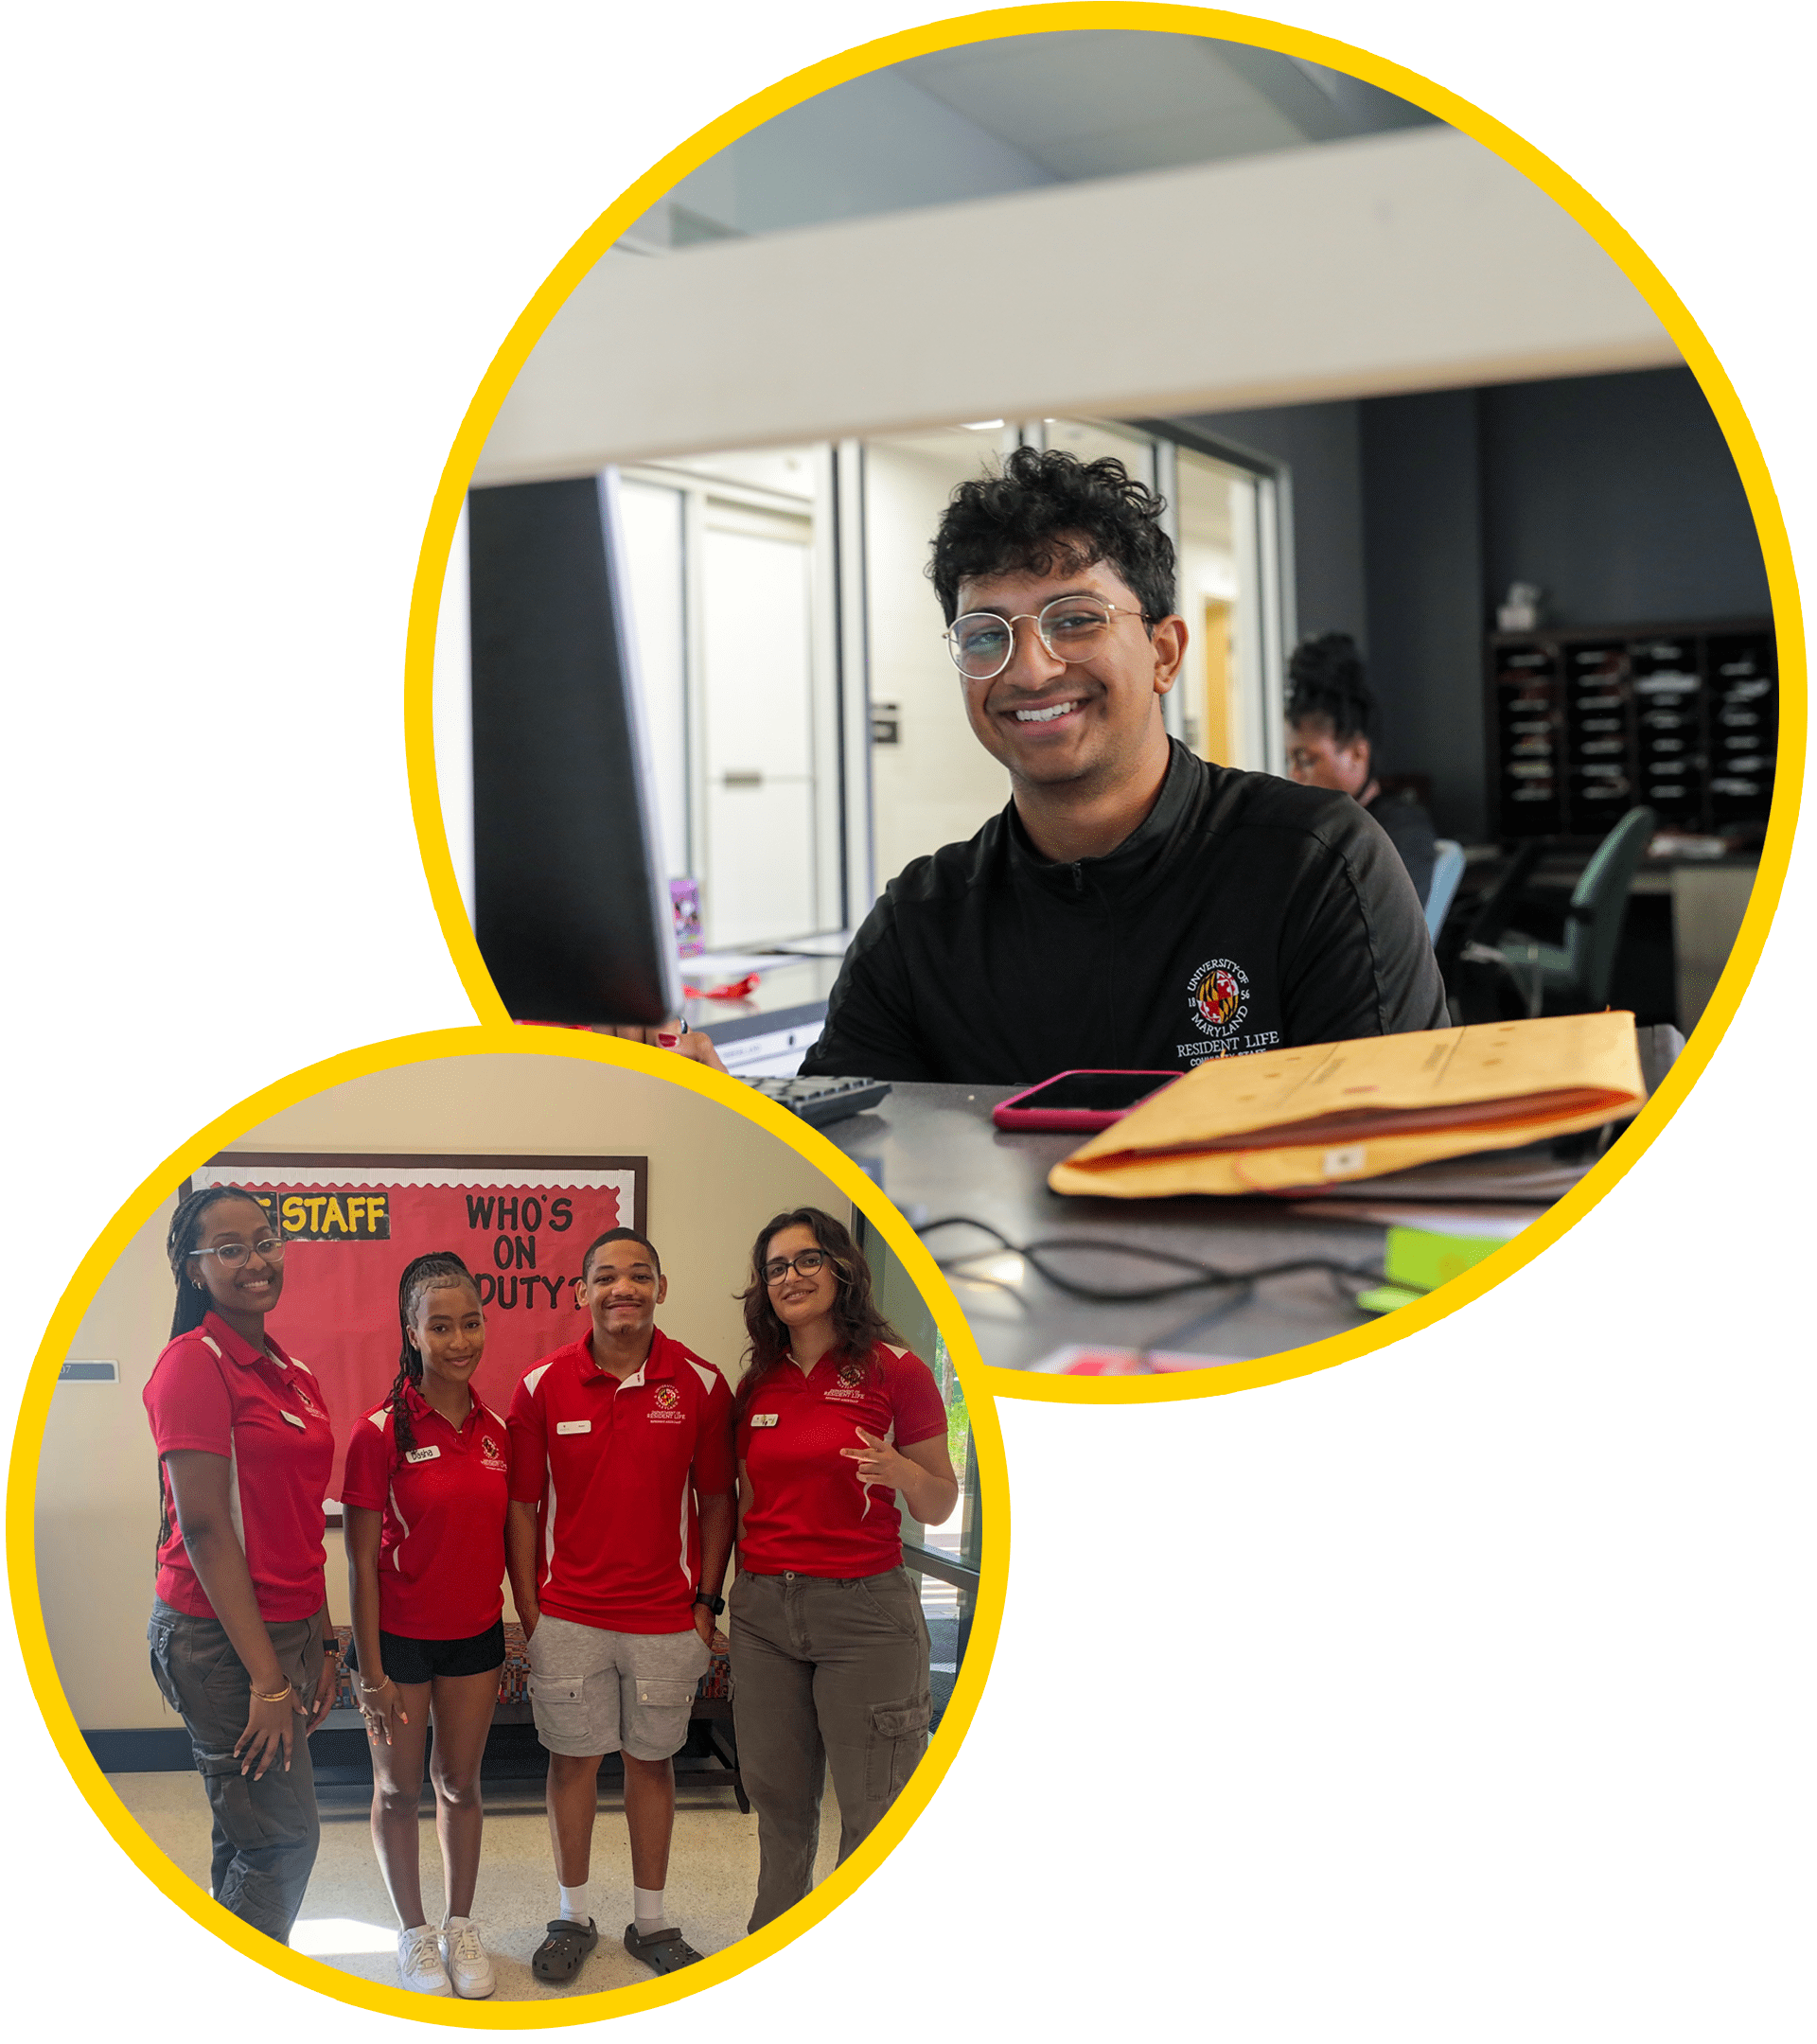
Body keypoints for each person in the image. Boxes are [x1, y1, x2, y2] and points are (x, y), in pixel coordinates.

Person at [789, 447, 1445, 1083]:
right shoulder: (920, 928)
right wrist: (727, 1116)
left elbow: (1390, 1166)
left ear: (1164, 653)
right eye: (986, 633)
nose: (1032, 668)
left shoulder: (1316, 865)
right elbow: (835, 1170)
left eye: (1075, 620)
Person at [505, 1227, 735, 1984]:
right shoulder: (541, 1385)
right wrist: (531, 1608)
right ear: (582, 1292)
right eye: (606, 1277)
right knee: (571, 1762)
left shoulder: (699, 1384)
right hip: (568, 1615)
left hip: (668, 1619)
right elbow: (523, 1506)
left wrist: (706, 1600)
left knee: (652, 1763)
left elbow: (715, 1501)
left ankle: (651, 1920)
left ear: (661, 1289)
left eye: (639, 1275)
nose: (622, 1289)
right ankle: (572, 1916)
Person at [729, 1207, 957, 1932]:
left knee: (874, 1809)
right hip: (765, 1613)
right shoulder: (759, 1381)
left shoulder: (899, 1370)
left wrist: (895, 1469)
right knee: (779, 1806)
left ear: (841, 1268)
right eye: (775, 1268)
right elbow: (743, 1499)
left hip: (864, 1615)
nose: (790, 1278)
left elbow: (943, 1500)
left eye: (806, 1260)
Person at [142, 1185, 339, 1944]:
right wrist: (267, 1679)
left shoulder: (286, 1369)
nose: (256, 1260)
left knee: (250, 1828)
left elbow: (298, 1518)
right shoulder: (194, 1364)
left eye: (265, 1240)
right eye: (229, 1249)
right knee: (284, 1840)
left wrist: (322, 1643)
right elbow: (205, 1529)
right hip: (222, 1641)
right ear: (192, 1270)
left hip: (282, 1632)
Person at [342, 1252, 509, 1998]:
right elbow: (359, 1565)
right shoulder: (378, 1433)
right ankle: (413, 1933)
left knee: (461, 1784)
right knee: (398, 1791)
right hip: (400, 1642)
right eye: (440, 1326)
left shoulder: (499, 1430)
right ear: (412, 1332)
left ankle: (459, 1924)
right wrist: (368, 1676)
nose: (459, 1339)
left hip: (476, 1636)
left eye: (470, 1322)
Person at [1284, 630, 1438, 906]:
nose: (1294, 775)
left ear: (1357, 752)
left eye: (1306, 760)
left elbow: (1385, 939)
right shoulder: (1318, 831)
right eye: (1290, 761)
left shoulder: (1400, 832)